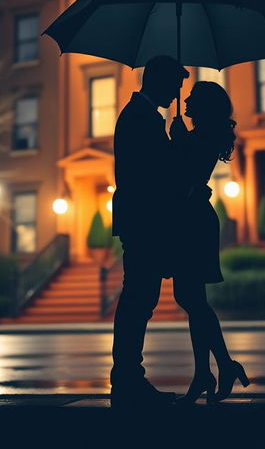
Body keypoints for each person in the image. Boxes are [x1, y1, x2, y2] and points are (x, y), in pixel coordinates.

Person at [109, 54, 189, 408]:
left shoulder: (141, 116)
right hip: (144, 222)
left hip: (141, 220)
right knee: (138, 300)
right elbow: (154, 173)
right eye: (174, 85)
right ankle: (127, 380)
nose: (176, 95)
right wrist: (177, 144)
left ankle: (128, 378)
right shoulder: (141, 118)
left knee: (140, 300)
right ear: (157, 80)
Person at [170, 80, 250, 405]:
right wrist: (178, 140)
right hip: (192, 220)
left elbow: (182, 176)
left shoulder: (200, 138)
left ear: (202, 106)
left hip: (193, 223)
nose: (185, 101)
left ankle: (221, 366)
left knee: (190, 298)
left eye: (192, 98)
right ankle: (207, 370)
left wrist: (176, 141)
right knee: (193, 299)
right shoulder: (197, 136)